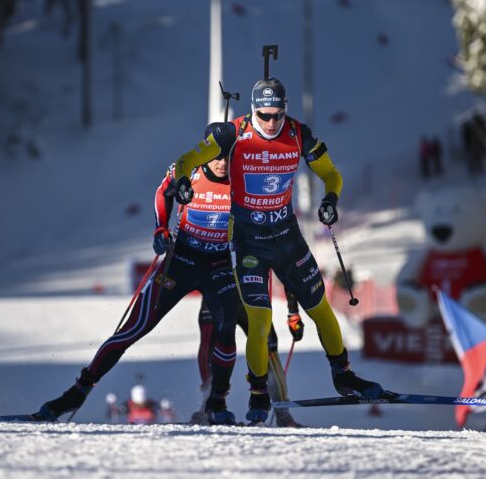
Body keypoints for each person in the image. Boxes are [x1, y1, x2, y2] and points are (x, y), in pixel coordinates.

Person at [171, 77, 384, 424]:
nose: (271, 123)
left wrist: (330, 200)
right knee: (260, 321)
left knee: (321, 308)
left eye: (277, 115)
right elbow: (185, 161)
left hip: (287, 238)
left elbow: (331, 174)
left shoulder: (298, 134)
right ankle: (258, 393)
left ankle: (344, 375)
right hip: (248, 242)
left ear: (285, 110)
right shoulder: (231, 134)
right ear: (253, 110)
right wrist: (182, 181)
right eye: (264, 115)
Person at [37, 152, 244, 425]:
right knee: (132, 330)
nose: (222, 164)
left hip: (219, 266)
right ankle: (76, 393)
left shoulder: (243, 176)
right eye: (216, 157)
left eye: (227, 157)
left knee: (226, 330)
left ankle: (217, 402)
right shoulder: (189, 169)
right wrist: (161, 229)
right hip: (180, 262)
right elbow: (163, 191)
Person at [193, 282, 303, 427]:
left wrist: (293, 313)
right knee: (209, 343)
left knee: (268, 345)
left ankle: (283, 414)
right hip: (217, 293)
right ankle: (209, 407)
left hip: (250, 296)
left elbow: (285, 270)